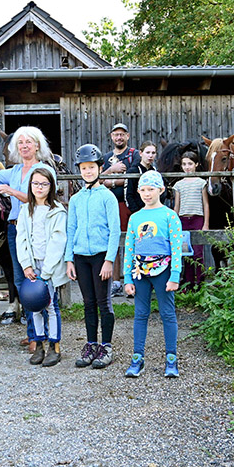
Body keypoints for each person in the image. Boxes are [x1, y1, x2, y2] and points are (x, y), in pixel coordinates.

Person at [0, 127, 57, 351]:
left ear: (37, 145)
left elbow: (42, 198)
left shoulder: (44, 170)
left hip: (39, 229)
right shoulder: (14, 171)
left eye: (29, 142)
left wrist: (13, 192)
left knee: (42, 278)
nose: (24, 146)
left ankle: (47, 330)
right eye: (20, 143)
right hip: (15, 229)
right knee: (21, 281)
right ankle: (34, 334)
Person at [123, 170, 183, 379]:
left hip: (163, 270)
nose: (147, 194)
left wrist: (175, 274)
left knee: (167, 313)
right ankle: (137, 358)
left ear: (161, 189)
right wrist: (127, 277)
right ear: (138, 191)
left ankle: (171, 359)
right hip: (140, 271)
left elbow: (176, 247)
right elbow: (129, 248)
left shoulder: (169, 216)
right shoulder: (135, 218)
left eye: (151, 189)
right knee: (140, 314)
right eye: (143, 189)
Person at [65, 144, 121, 369]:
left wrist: (109, 260)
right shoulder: (76, 199)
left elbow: (115, 230)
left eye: (91, 167)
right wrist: (69, 259)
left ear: (99, 168)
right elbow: (71, 230)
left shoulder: (107, 196)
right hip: (80, 256)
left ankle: (106, 346)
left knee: (103, 302)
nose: (87, 171)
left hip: (100, 256)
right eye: (84, 168)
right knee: (88, 303)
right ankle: (91, 344)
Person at [16, 168, 68, 367]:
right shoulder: (25, 210)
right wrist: (26, 265)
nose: (39, 187)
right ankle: (38, 344)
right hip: (32, 265)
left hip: (49, 267)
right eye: (35, 183)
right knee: (34, 306)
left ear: (51, 186)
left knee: (51, 306)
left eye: (44, 184)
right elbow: (21, 239)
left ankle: (55, 347)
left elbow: (58, 241)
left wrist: (46, 271)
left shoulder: (57, 211)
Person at [173, 151, 209, 289]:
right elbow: (177, 205)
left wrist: (206, 223)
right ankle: (188, 282)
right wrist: (175, 223)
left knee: (198, 252)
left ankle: (200, 282)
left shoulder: (201, 182)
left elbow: (205, 204)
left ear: (196, 165)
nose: (187, 167)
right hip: (183, 219)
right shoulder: (178, 184)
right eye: (184, 164)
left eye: (190, 164)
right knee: (185, 251)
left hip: (197, 218)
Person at [101, 123, 140, 231]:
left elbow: (135, 178)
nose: (119, 138)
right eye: (116, 135)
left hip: (129, 204)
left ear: (127, 136)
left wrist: (111, 183)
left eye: (122, 135)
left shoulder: (134, 154)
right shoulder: (106, 157)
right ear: (112, 136)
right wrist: (111, 170)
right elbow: (98, 179)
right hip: (109, 206)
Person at [125, 141, 157, 214]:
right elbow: (128, 195)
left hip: (153, 211)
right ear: (141, 153)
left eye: (153, 153)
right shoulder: (133, 171)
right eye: (147, 152)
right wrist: (137, 212)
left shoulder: (155, 171)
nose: (150, 155)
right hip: (137, 212)